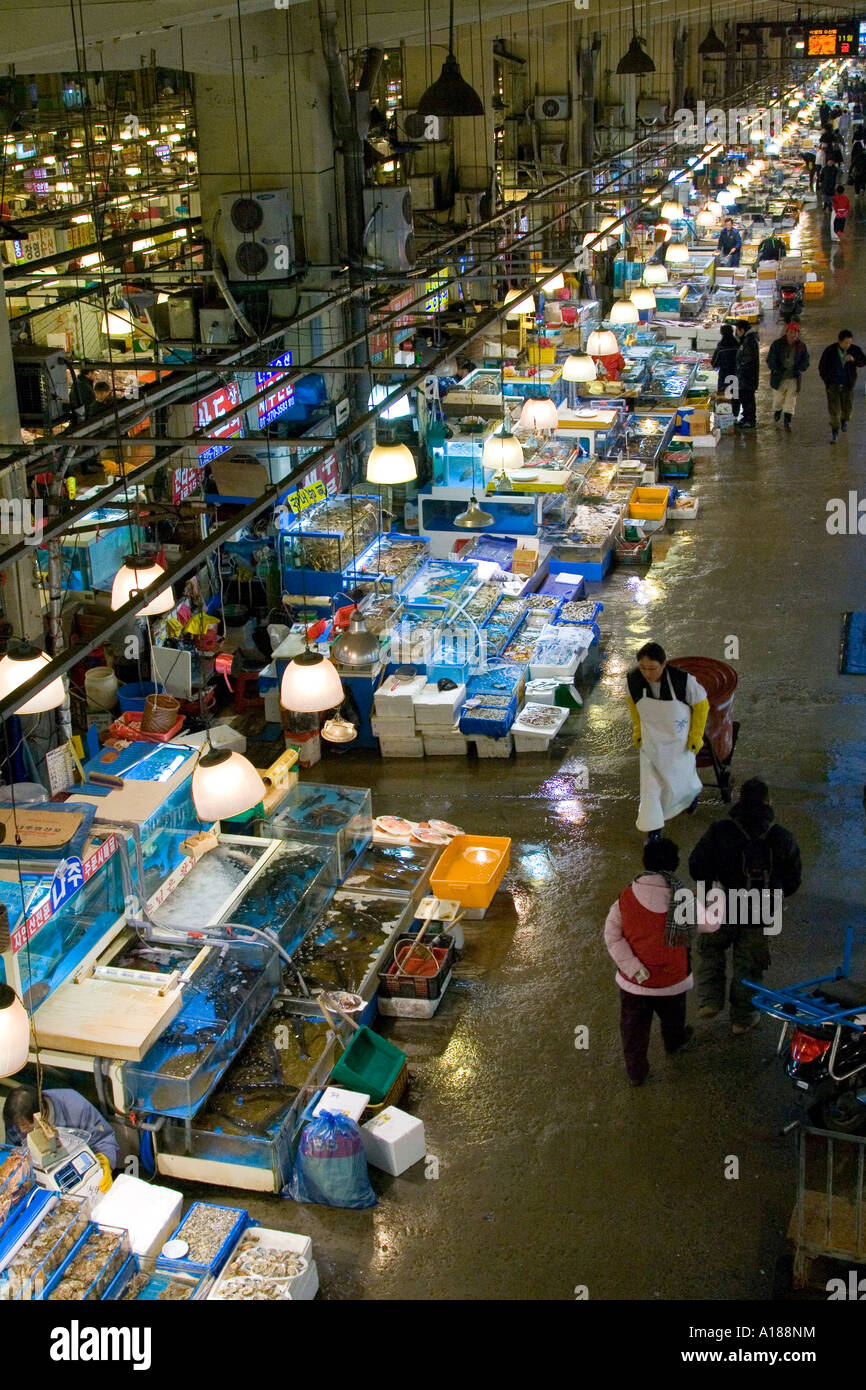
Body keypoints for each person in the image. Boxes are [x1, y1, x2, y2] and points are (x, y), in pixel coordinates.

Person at [689, 778, 802, 1035]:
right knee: (749, 964)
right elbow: (793, 882)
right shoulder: (782, 837)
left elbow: (696, 867)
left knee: (711, 951)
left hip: (721, 905)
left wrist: (713, 883)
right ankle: (743, 1018)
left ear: (739, 800)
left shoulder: (719, 830)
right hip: (759, 913)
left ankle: (710, 1000)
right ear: (768, 802)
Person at [604, 837, 721, 1086]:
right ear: (674, 865)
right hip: (672, 981)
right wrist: (716, 896)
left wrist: (634, 968)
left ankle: (636, 1073)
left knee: (633, 1030)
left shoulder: (625, 898)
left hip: (634, 985)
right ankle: (675, 1043)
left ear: (645, 862)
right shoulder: (684, 899)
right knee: (673, 1020)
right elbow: (711, 924)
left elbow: (612, 937)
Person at [626, 642, 709, 842]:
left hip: (678, 743)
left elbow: (702, 706)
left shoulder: (683, 681)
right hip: (651, 745)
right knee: (651, 789)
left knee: (682, 780)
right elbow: (633, 707)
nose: (647, 673)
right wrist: (637, 729)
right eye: (643, 668)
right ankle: (653, 829)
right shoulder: (632, 681)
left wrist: (696, 736)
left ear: (664, 664)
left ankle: (690, 798)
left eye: (652, 668)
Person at [2, 1085, 117, 1187]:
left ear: (40, 1114)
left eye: (25, 1125)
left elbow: (104, 1140)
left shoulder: (74, 1105)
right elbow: (14, 1154)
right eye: (18, 1126)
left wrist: (104, 1161)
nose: (21, 1131)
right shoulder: (16, 1121)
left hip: (83, 1174)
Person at [819, 328, 866, 442]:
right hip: (833, 386)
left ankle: (844, 420)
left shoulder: (854, 350)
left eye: (850, 342)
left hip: (848, 385)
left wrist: (854, 360)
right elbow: (822, 368)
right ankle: (835, 433)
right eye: (846, 343)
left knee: (848, 409)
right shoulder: (830, 351)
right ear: (839, 341)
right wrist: (828, 382)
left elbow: (863, 362)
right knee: (834, 412)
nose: (848, 345)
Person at [766, 321, 809, 432]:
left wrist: (800, 368)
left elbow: (806, 361)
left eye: (795, 333)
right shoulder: (777, 344)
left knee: (791, 401)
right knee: (778, 400)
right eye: (791, 332)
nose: (793, 335)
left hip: (794, 378)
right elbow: (770, 359)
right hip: (779, 378)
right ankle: (777, 411)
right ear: (787, 332)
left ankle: (787, 420)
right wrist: (776, 368)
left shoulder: (801, 347)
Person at [734, 318, 759, 430]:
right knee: (745, 398)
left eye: (737, 331)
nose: (737, 334)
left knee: (748, 398)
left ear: (742, 330)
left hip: (748, 377)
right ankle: (746, 417)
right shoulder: (747, 339)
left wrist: (740, 369)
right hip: (746, 377)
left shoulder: (749, 341)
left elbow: (748, 360)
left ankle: (750, 420)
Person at [711, 322, 738, 399]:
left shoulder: (721, 348)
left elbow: (714, 363)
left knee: (723, 399)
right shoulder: (738, 346)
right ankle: (735, 410)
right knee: (735, 397)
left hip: (724, 376)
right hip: (736, 375)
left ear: (721, 333)